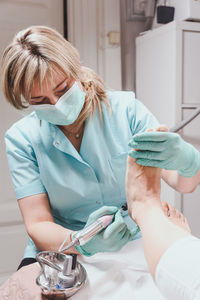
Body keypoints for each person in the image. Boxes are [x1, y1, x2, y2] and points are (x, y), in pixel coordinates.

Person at [1, 25, 200, 269]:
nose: (57, 104)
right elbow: (38, 224)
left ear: (76, 69)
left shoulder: (125, 110)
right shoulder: (22, 139)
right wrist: (82, 242)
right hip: (64, 245)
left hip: (132, 236)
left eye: (62, 89)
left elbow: (183, 183)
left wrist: (188, 162)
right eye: (39, 101)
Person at [126, 154, 200, 300]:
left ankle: (144, 206)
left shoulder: (131, 131)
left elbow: (184, 183)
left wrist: (192, 163)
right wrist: (76, 240)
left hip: (140, 240)